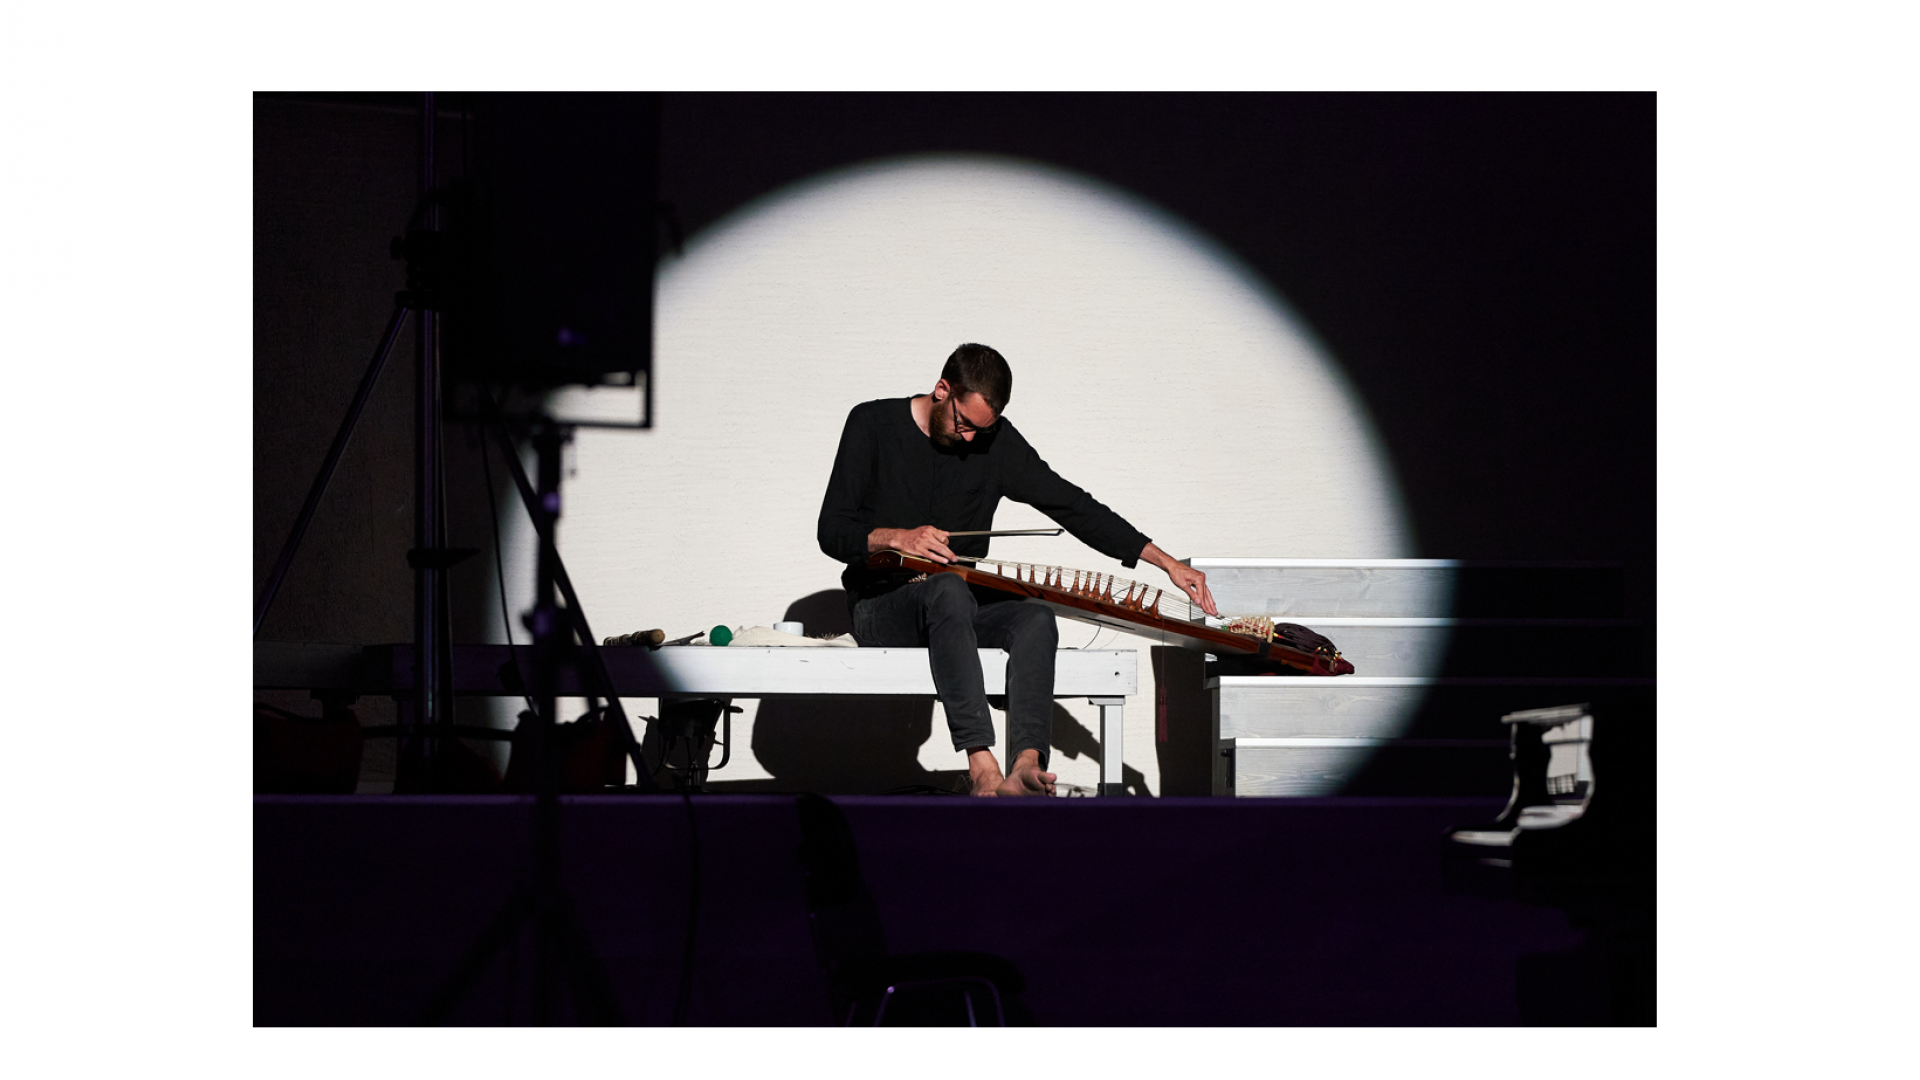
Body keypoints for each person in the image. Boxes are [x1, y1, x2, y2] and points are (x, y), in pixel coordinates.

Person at [816, 343, 1219, 797]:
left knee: (1034, 617)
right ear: (941, 389)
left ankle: (1025, 766)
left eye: (980, 431)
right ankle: (981, 769)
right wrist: (895, 537)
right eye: (963, 423)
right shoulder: (871, 424)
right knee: (947, 591)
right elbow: (831, 531)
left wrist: (1163, 562)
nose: (970, 439)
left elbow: (1073, 505)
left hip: (956, 608)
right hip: (883, 606)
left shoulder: (995, 442)